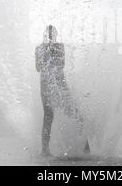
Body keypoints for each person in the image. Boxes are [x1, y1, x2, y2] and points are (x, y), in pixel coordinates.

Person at [35, 25, 90, 156]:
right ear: (44, 35)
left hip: (60, 84)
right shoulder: (39, 48)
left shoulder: (60, 47)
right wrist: (43, 55)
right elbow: (38, 68)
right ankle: (44, 150)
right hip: (45, 85)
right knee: (48, 116)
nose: (50, 37)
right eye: (48, 34)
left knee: (76, 113)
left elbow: (62, 64)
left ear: (55, 35)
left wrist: (54, 51)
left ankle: (86, 146)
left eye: (52, 34)